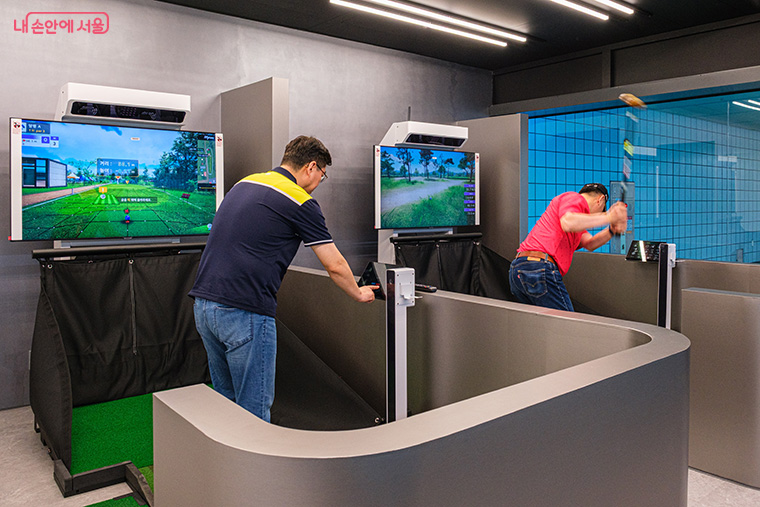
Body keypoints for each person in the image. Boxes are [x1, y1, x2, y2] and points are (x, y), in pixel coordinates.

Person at [189, 135, 377, 422]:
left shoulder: (244, 184)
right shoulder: (299, 200)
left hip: (204, 306)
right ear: (311, 167)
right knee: (253, 411)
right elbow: (335, 265)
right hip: (244, 311)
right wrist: (359, 293)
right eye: (322, 175)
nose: (319, 182)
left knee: (226, 405)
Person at [509, 183, 627, 312]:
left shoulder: (574, 222)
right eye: (602, 211)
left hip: (519, 269)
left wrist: (611, 230)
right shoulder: (574, 198)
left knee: (538, 321)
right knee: (566, 321)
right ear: (600, 200)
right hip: (538, 268)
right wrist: (609, 217)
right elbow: (568, 222)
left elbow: (590, 243)